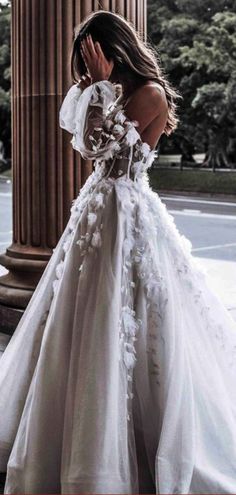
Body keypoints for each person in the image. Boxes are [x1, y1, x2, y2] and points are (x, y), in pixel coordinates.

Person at [0, 9, 236, 495]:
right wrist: (98, 89)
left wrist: (103, 88)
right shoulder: (113, 93)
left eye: (92, 56)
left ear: (113, 51)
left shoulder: (148, 94)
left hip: (124, 210)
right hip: (95, 208)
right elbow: (86, 143)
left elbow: (98, 146)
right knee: (78, 312)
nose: (86, 69)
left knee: (125, 312)